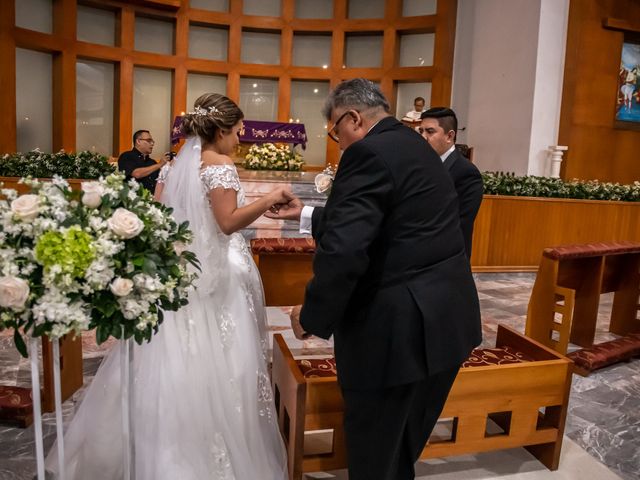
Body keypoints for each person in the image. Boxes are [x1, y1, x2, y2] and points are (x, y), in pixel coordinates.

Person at [45, 94, 290, 480]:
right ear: (223, 130)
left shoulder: (178, 165)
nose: (241, 138)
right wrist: (269, 199)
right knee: (223, 365)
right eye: (239, 130)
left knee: (175, 358)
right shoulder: (221, 163)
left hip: (185, 275)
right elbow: (227, 222)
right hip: (218, 277)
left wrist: (254, 204)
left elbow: (176, 214)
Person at [267, 79, 482, 480]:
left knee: (373, 453)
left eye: (335, 131)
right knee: (400, 450)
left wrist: (312, 315)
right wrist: (307, 214)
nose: (338, 142)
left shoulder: (366, 152)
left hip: (396, 332)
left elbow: (346, 251)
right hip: (447, 322)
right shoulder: (414, 143)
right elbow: (392, 222)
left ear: (353, 118)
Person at [419, 107, 483, 258]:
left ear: (449, 136)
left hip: (447, 259)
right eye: (420, 131)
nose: (423, 137)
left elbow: (459, 224)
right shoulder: (418, 166)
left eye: (430, 131)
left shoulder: (467, 172)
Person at [117, 130, 168, 194]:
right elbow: (136, 174)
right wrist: (159, 165)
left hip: (154, 200)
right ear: (138, 141)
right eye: (149, 141)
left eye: (152, 141)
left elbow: (160, 182)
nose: (152, 144)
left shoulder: (152, 162)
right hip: (134, 200)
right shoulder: (127, 156)